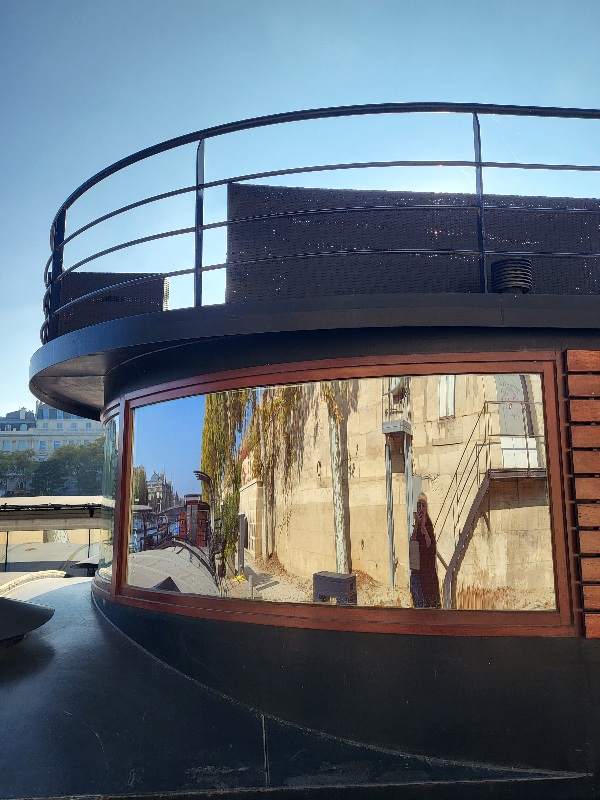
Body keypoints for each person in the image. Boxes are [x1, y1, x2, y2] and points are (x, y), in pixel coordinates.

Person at [409, 493, 441, 609]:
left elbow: (430, 545)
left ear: (426, 507)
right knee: (419, 605)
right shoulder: (416, 523)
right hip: (418, 570)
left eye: (423, 505)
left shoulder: (428, 524)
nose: (421, 507)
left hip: (428, 571)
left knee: (430, 604)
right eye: (419, 504)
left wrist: (423, 527)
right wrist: (417, 525)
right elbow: (412, 543)